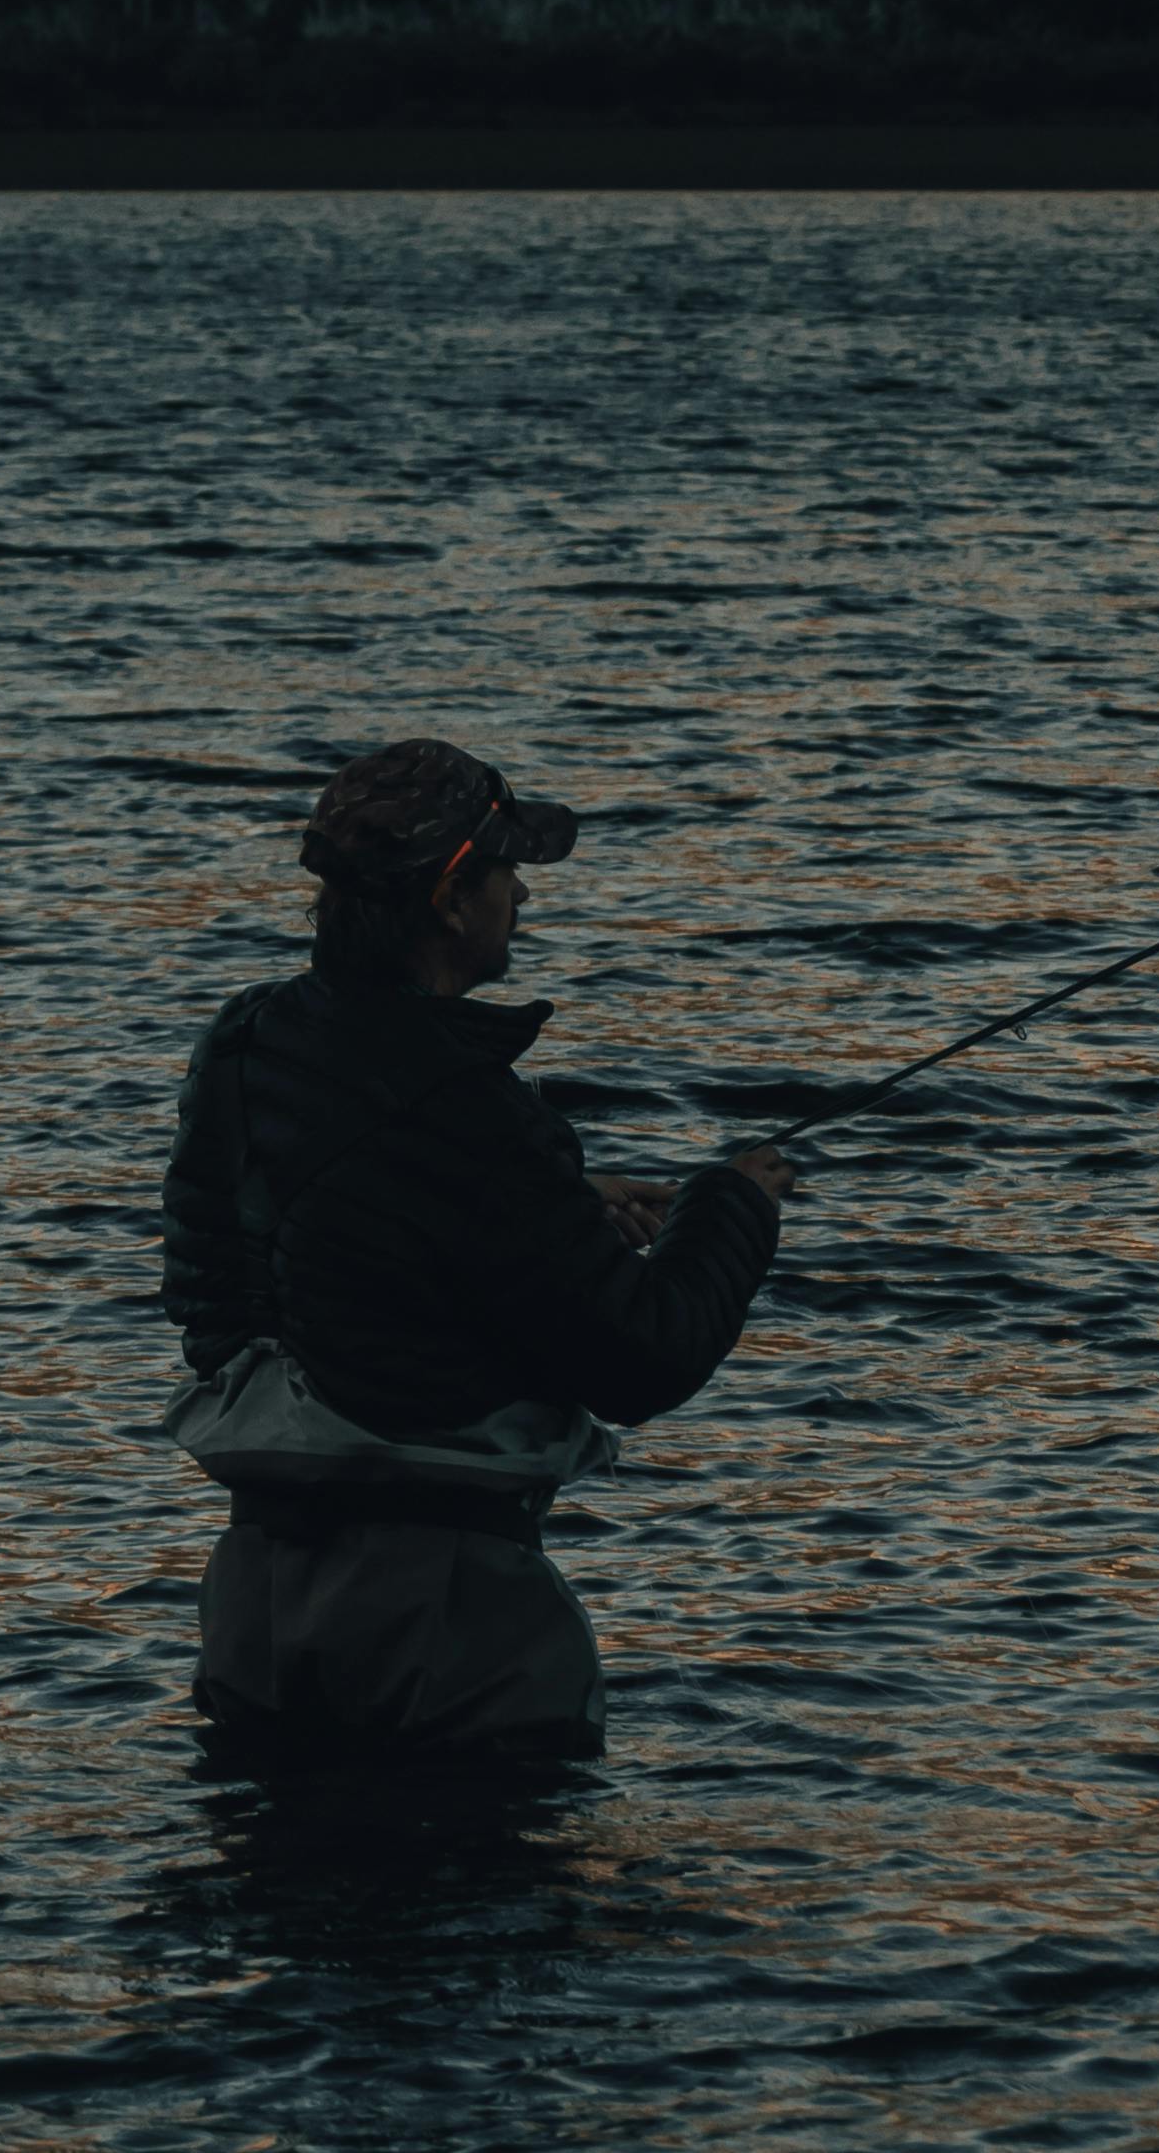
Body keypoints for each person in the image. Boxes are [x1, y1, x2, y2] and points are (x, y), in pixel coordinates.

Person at [155, 736, 787, 1764]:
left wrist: (560, 1204)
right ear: (450, 902)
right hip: (447, 1627)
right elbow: (641, 1359)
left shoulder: (249, 1039)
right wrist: (733, 1207)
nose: (523, 895)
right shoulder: (474, 1115)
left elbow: (262, 1258)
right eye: (507, 872)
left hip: (256, 1604)